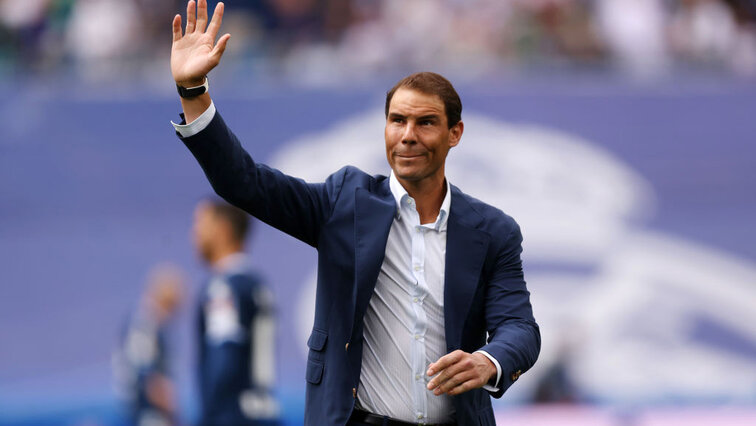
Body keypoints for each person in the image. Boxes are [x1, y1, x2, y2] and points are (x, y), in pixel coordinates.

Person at [170, 1, 540, 424]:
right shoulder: (345, 203)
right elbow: (244, 182)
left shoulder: (492, 231)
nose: (407, 136)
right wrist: (194, 91)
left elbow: (521, 329)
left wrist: (488, 361)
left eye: (425, 123)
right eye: (397, 121)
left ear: (455, 133)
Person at [192, 198, 280, 425]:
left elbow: (224, 360)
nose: (195, 234)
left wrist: (212, 415)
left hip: (232, 415)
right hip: (263, 412)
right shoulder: (256, 284)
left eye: (201, 224)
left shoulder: (223, 288)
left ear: (222, 230)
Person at [113, 264, 185, 426]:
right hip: (149, 415)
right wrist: (173, 413)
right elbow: (150, 379)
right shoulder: (145, 325)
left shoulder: (144, 324)